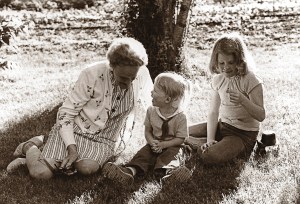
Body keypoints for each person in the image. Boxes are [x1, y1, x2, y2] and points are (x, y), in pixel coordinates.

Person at [7, 37, 154, 178]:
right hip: (75, 130)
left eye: (132, 79)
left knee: (86, 168)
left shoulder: (141, 73)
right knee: (41, 173)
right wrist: (72, 149)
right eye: (123, 78)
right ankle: (30, 147)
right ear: (112, 66)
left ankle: (43, 147)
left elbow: (152, 105)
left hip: (105, 138)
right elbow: (66, 113)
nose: (128, 84)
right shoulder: (92, 74)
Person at [186, 33, 265, 164]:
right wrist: (210, 139)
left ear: (240, 61)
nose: (226, 67)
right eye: (221, 63)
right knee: (181, 130)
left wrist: (243, 101)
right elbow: (213, 112)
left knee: (208, 155)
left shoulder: (251, 80)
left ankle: (194, 143)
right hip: (222, 127)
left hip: (241, 135)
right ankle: (203, 141)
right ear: (215, 62)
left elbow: (261, 115)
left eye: (230, 62)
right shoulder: (219, 80)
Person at [102, 72, 192, 185]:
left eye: (155, 91)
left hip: (172, 146)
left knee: (171, 156)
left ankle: (169, 174)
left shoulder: (180, 117)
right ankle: (129, 171)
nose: (151, 92)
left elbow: (181, 139)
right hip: (154, 144)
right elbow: (148, 130)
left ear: (167, 99)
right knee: (143, 155)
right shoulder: (151, 111)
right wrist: (151, 142)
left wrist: (164, 145)